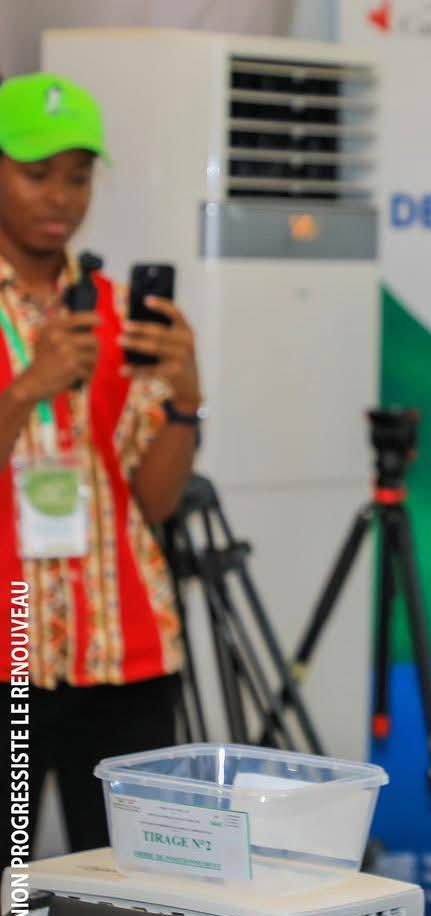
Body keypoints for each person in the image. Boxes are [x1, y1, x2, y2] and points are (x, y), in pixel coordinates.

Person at [0, 74, 204, 854]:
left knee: (128, 892)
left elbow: (155, 503)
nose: (60, 197)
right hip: (9, 649)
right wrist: (28, 389)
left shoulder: (121, 313)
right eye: (37, 173)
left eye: (78, 176)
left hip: (126, 648)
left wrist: (185, 400)